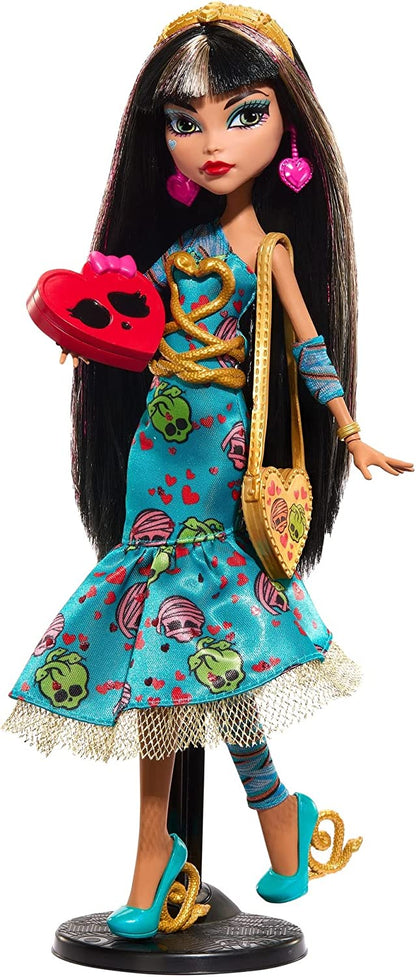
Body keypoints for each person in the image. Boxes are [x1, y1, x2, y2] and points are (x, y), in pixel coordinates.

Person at [2, 3, 413, 939]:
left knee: (192, 650)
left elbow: (308, 348)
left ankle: (168, 854)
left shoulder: (269, 251)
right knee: (178, 654)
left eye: (243, 114)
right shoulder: (176, 250)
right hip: (158, 446)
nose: (213, 142)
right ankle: (266, 817)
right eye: (185, 123)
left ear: (287, 130)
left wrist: (351, 432)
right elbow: (125, 314)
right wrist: (82, 333)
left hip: (222, 454)